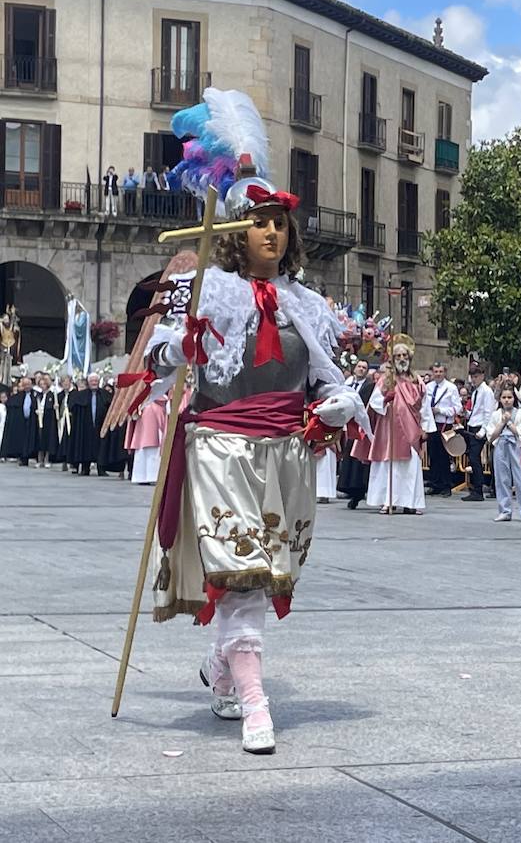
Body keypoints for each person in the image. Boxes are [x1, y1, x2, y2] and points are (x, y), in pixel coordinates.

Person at [142, 103, 367, 756]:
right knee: (241, 573)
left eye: (280, 223)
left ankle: (221, 669)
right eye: (260, 222)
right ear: (237, 232)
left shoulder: (306, 305)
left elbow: (328, 377)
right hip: (219, 447)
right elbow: (158, 359)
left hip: (287, 456)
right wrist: (182, 346)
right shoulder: (207, 290)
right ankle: (257, 705)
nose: (272, 232)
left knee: (265, 576)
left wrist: (341, 407)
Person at [363, 335, 435, 514]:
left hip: (412, 429)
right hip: (390, 429)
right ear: (393, 359)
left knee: (410, 468)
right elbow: (374, 403)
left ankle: (410, 502)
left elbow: (425, 406)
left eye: (404, 356)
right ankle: (389, 500)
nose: (402, 359)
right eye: (398, 356)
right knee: (390, 467)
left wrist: (426, 428)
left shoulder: (417, 381)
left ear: (409, 358)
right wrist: (386, 400)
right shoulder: (387, 380)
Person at [483, 384, 521, 522]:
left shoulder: (520, 414)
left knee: (520, 478)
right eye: (504, 397)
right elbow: (491, 436)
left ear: (514, 398)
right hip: (501, 445)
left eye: (509, 397)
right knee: (502, 478)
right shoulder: (496, 415)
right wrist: (502, 423)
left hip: (516, 446)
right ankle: (505, 510)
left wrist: (509, 423)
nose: (507, 400)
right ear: (500, 399)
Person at [338, 360, 374, 509]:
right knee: (349, 457)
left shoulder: (369, 387)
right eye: (359, 367)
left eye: (364, 368)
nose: (361, 369)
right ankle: (348, 487)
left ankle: (358, 489)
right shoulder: (346, 384)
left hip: (361, 425)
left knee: (359, 461)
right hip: (347, 423)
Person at [424, 362, 461, 498]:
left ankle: (446, 485)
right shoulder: (428, 387)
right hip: (431, 424)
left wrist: (440, 410)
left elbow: (457, 408)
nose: (438, 374)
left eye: (440, 371)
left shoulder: (451, 388)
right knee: (432, 454)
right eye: (435, 371)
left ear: (444, 372)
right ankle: (435, 484)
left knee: (444, 456)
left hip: (445, 425)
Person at [67, 373, 112, 475]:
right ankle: (85, 468)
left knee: (101, 446)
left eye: (96, 381)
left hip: (101, 426)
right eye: (92, 381)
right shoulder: (81, 395)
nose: (94, 383)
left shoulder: (105, 394)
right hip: (85, 426)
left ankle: (101, 469)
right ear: (88, 382)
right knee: (85, 445)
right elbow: (72, 407)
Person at [462, 360, 495, 501]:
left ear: (482, 375)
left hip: (480, 428)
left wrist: (483, 431)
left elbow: (488, 413)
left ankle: (478, 490)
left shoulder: (486, 391)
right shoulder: (476, 391)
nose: (473, 379)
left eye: (476, 376)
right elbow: (477, 411)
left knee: (475, 459)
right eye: (472, 377)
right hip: (473, 424)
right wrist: (466, 414)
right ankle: (475, 488)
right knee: (472, 458)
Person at [124, 393, 168, 485]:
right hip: (147, 430)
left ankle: (144, 477)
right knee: (148, 454)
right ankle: (148, 477)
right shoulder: (154, 401)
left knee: (150, 454)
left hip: (147, 432)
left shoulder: (148, 400)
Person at [0, 375, 36, 465]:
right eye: (25, 385)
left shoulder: (35, 395)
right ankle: (22, 457)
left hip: (32, 421)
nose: (27, 386)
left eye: (28, 384)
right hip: (22, 421)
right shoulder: (19, 396)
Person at [32, 371, 56, 468]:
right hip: (39, 419)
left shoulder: (51, 395)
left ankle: (47, 459)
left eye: (44, 384)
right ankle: (39, 459)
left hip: (48, 419)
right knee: (39, 439)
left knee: (47, 439)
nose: (42, 386)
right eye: (41, 384)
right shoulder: (38, 395)